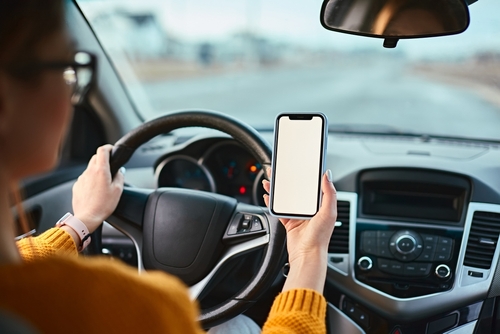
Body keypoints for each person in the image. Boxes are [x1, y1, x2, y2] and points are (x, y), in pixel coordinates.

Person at [0, 1, 337, 333]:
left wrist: (83, 219)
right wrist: (308, 253)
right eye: (66, 68)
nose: (71, 89)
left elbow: (19, 261)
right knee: (238, 325)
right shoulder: (137, 308)